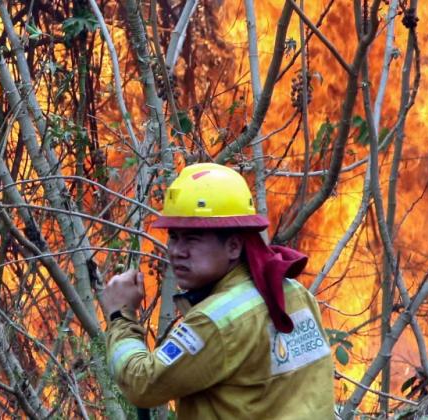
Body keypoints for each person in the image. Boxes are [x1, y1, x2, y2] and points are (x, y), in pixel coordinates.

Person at [102, 163, 334, 419]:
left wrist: (120, 316)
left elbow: (142, 384)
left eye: (193, 238)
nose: (178, 251)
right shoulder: (294, 292)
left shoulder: (213, 322)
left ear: (234, 246)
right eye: (174, 236)